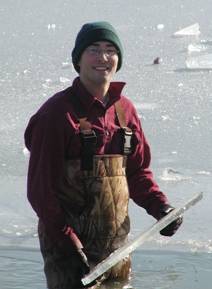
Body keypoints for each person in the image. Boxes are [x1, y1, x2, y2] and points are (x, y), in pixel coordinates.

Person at [24, 21, 183, 289]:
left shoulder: (125, 111)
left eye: (110, 49)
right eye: (93, 49)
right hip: (68, 253)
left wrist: (161, 208)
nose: (103, 57)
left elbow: (137, 172)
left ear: (118, 59)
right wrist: (68, 242)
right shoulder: (56, 114)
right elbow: (41, 191)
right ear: (78, 60)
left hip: (117, 250)